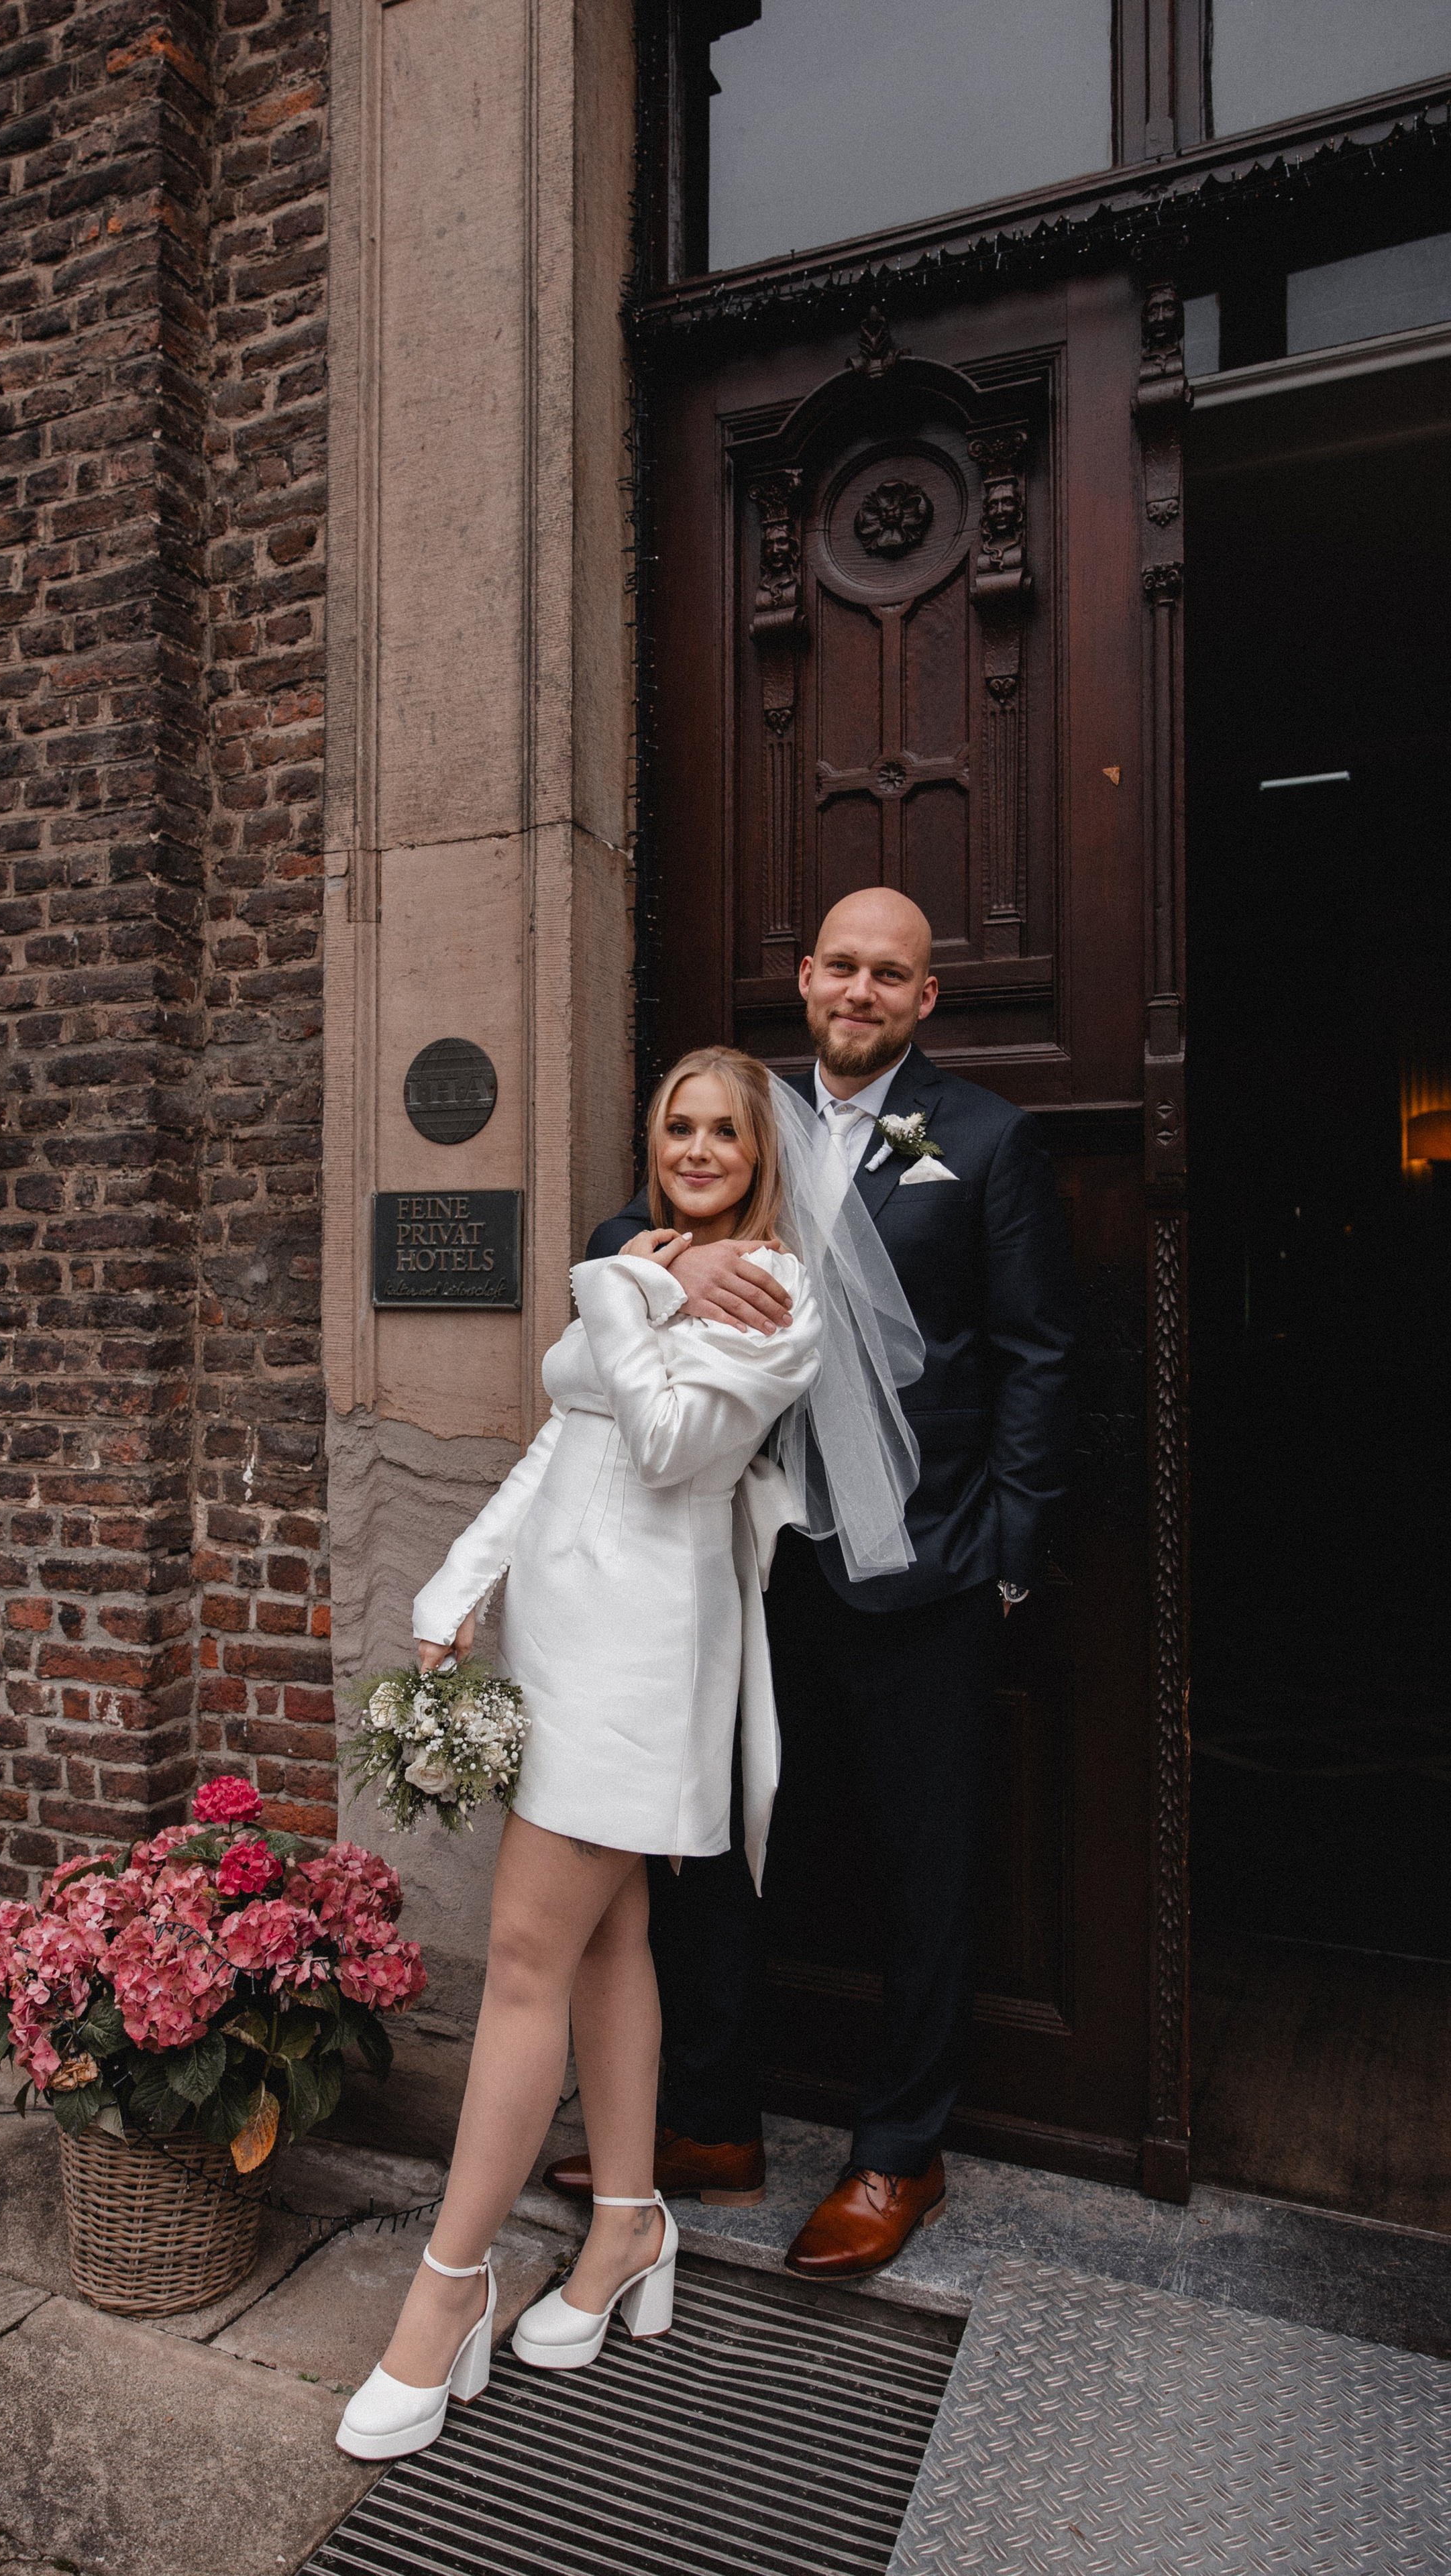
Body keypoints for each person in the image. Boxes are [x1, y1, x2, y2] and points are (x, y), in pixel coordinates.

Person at [337, 1044, 920, 2461]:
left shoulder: (773, 1295)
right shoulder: (653, 1260)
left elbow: (665, 1445)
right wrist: (454, 1586)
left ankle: (447, 2289)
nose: (697, 1148)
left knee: (522, 1960)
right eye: (676, 1125)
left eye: (724, 1131)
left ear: (760, 1157)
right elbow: (567, 1436)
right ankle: (623, 2227)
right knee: (608, 1946)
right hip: (557, 1629)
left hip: (644, 1655)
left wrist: (626, 1287)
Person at [547, 886, 1079, 2278]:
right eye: (841, 966)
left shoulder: (984, 1141)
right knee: (709, 1852)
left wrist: (1009, 1557)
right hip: (746, 1563)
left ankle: (899, 2152)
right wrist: (687, 1258)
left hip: (927, 1569)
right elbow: (607, 1246)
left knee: (921, 1867)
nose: (860, 991)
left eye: (889, 975)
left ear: (924, 999)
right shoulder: (747, 1120)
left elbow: (1033, 1355)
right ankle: (711, 2124)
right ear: (803, 979)